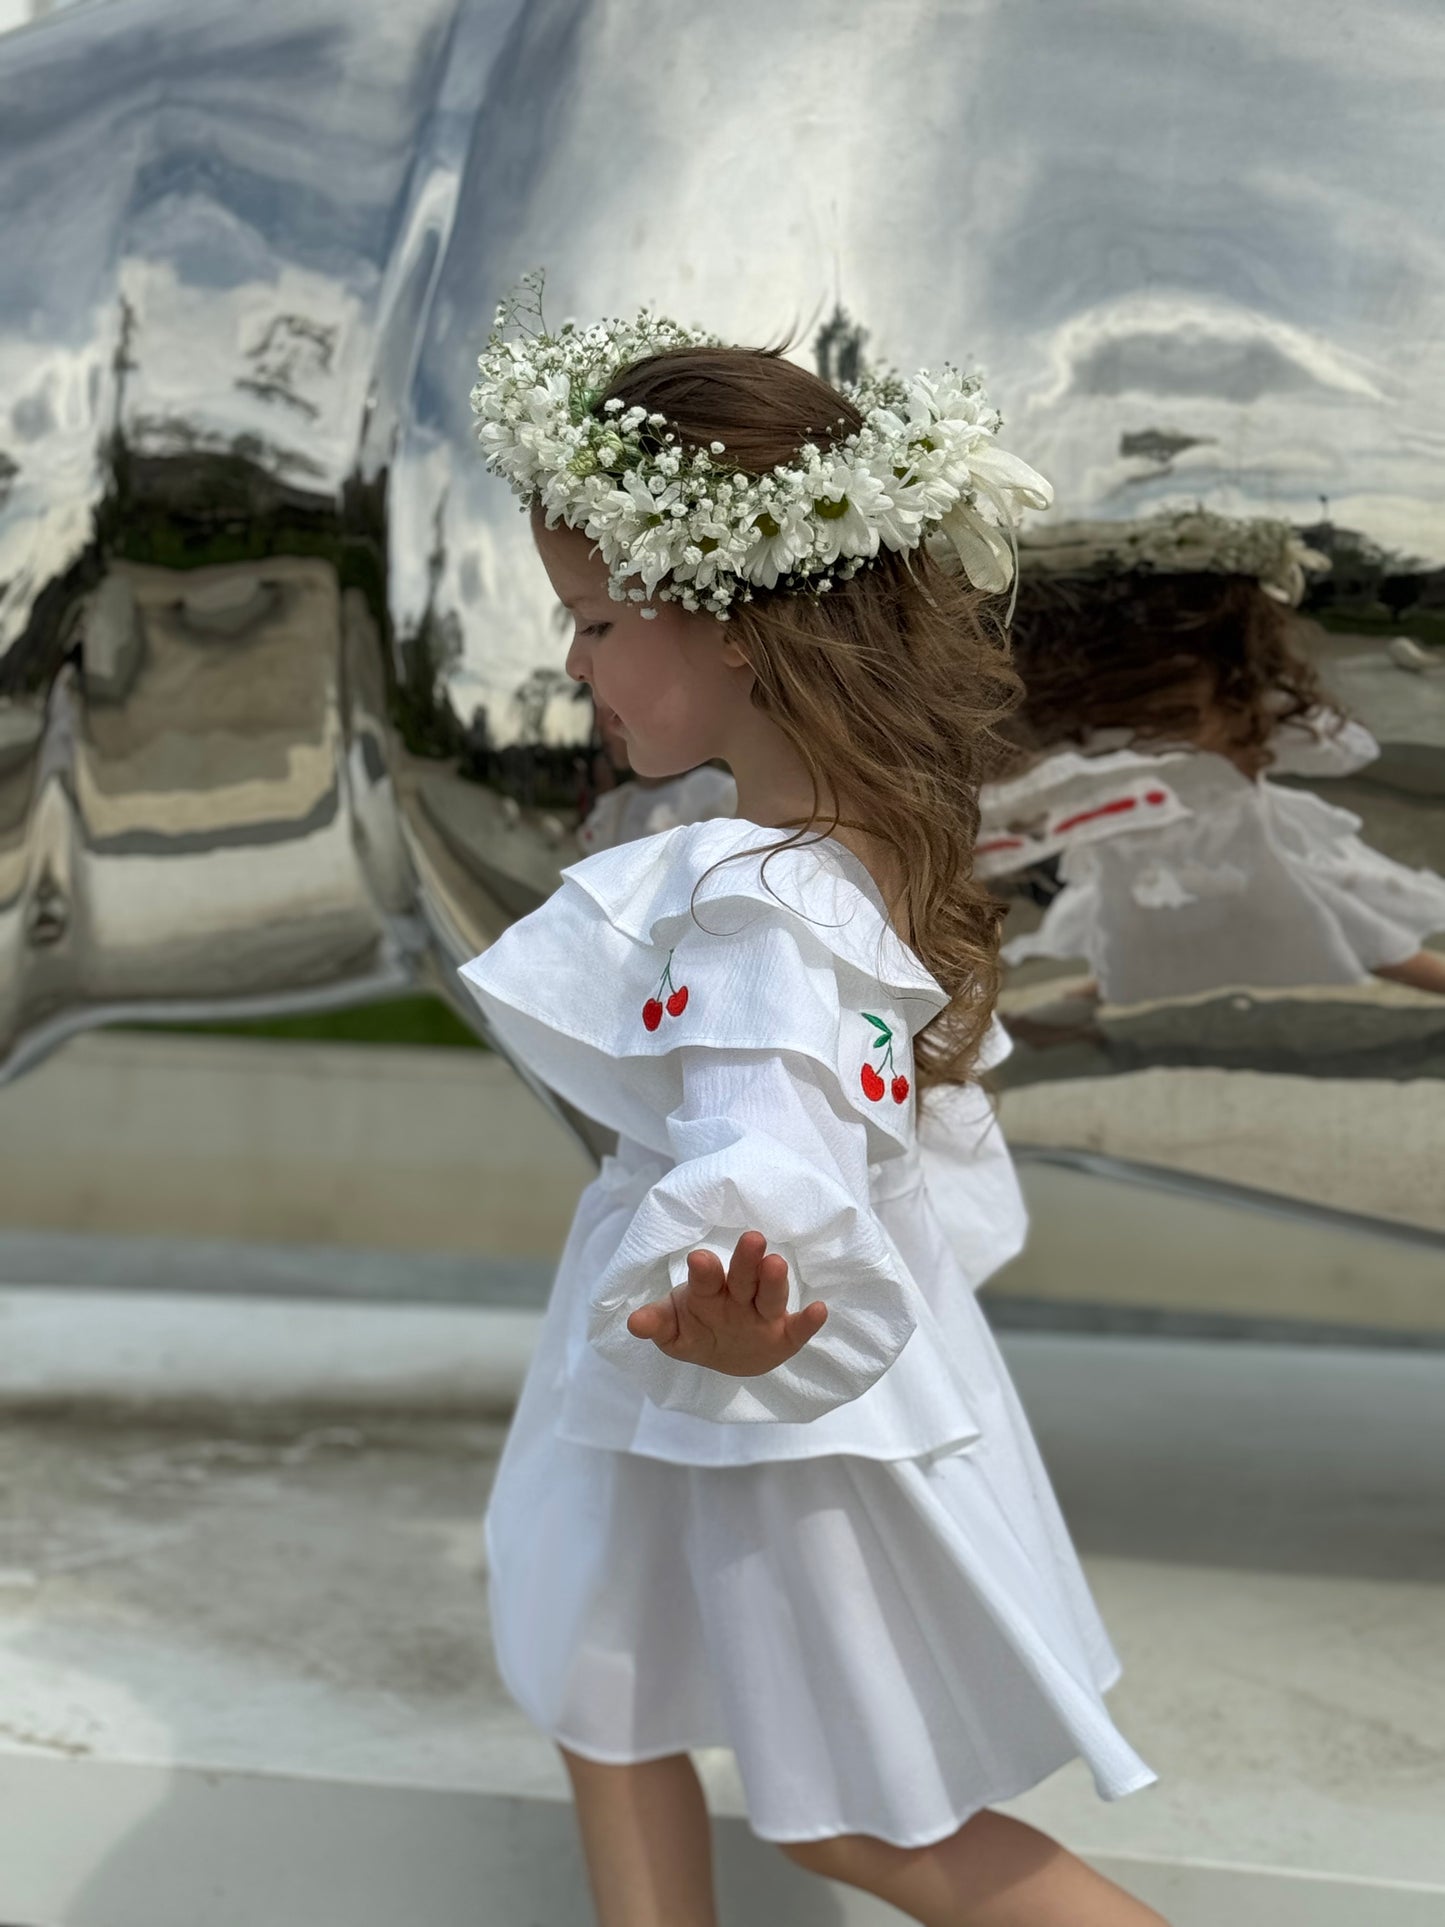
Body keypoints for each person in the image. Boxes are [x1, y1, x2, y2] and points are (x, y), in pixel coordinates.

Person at [457, 276, 1165, 1927]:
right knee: (599, 1684)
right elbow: (858, 1126)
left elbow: (769, 1136)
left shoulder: (753, 891)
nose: (574, 663)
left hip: (742, 1375)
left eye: (594, 616)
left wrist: (752, 1309)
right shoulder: (863, 850)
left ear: (728, 619)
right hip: (698, 1352)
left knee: (872, 1825)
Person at [981, 513, 1445, 1004]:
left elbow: (1340, 750)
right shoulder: (1213, 699)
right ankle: (1071, 1009)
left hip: (1234, 853)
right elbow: (1339, 750)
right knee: (1143, 941)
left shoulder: (1115, 713)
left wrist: (1255, 728)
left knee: (1334, 922)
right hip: (1153, 864)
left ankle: (1071, 1008)